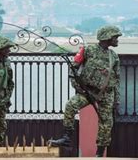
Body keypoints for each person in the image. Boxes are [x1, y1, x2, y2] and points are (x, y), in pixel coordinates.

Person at [49, 25, 122, 157]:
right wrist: (78, 88)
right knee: (70, 106)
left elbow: (116, 80)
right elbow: (74, 70)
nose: (117, 40)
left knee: (106, 122)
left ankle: (100, 153)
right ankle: (67, 137)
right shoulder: (88, 50)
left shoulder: (114, 56)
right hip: (88, 92)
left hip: (107, 93)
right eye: (115, 37)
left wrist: (116, 100)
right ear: (107, 37)